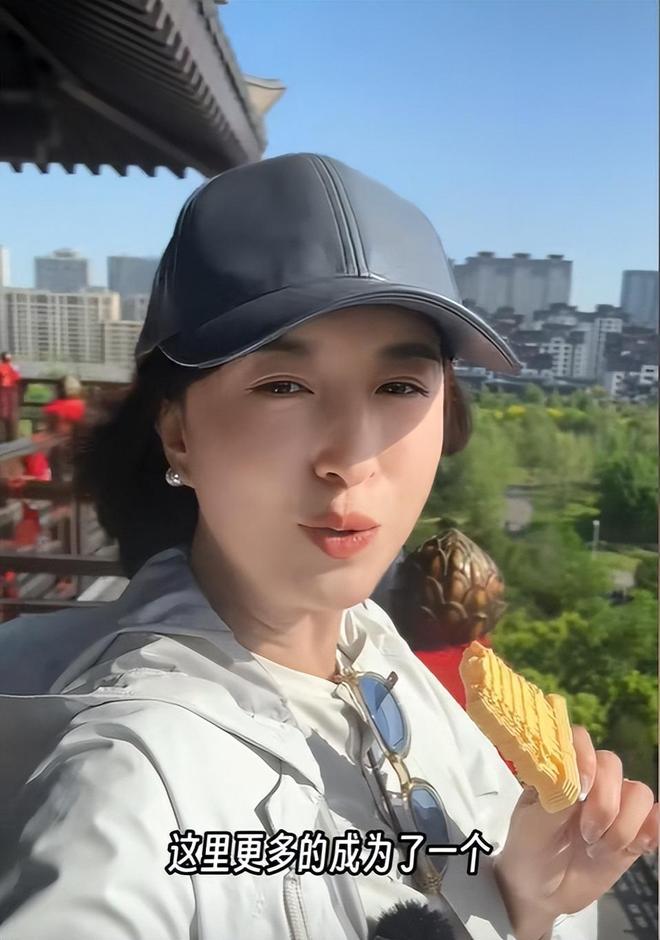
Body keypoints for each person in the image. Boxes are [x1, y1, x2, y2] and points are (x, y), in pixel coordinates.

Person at [0, 154, 656, 940]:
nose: (351, 456)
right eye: (283, 386)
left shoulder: (371, 644)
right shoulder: (132, 773)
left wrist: (526, 901)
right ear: (178, 433)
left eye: (399, 387)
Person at [0, 352, 21, 442]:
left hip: (2, 391)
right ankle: (11, 438)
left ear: (2, 359)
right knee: (12, 414)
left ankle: (3, 437)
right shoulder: (14, 367)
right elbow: (17, 379)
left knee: (3, 413)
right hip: (12, 392)